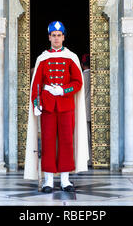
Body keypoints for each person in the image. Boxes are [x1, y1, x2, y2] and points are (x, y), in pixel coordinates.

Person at [24, 21, 88, 192]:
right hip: (48, 107)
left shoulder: (71, 57)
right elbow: (36, 85)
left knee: (67, 142)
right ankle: (48, 180)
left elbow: (78, 82)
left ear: (63, 37)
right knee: (48, 142)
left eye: (59, 35)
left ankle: (66, 180)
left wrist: (63, 90)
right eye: (53, 35)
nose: (56, 38)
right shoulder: (42, 58)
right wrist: (37, 104)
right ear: (49, 37)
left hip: (66, 106)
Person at [81, 54, 92, 167]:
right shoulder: (93, 76)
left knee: (86, 136)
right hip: (93, 110)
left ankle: (88, 160)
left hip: (84, 110)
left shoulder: (82, 77)